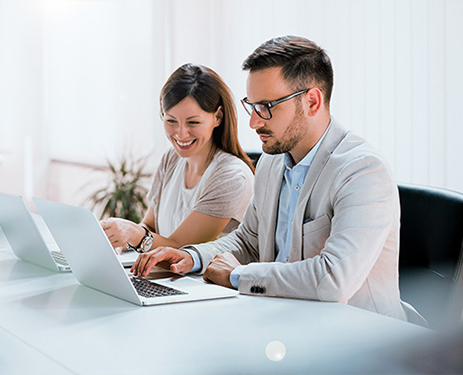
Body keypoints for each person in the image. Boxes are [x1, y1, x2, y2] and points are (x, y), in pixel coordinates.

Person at [131, 36, 408, 320]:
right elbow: (248, 242)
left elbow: (333, 279)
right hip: (282, 322)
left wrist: (238, 275)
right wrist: (192, 257)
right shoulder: (272, 163)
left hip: (361, 340)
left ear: (312, 101)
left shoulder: (362, 171)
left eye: (267, 107)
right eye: (251, 106)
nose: (253, 122)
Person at [101, 63, 255, 256]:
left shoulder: (231, 176)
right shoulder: (172, 158)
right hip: (164, 278)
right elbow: (150, 225)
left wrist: (134, 234)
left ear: (218, 117)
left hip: (203, 283)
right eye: (171, 121)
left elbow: (181, 250)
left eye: (193, 122)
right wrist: (120, 240)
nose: (181, 134)